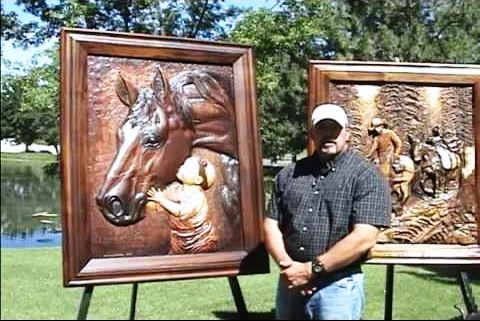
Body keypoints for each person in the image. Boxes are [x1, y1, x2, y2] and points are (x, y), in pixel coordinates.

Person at [264, 103, 391, 320]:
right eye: (322, 128)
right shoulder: (289, 174)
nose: (329, 135)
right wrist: (290, 268)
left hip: (338, 286)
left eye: (335, 129)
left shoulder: (366, 175)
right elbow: (271, 224)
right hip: (291, 283)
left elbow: (364, 238)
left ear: (347, 134)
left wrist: (309, 271)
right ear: (312, 133)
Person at [147, 155, 218, 254]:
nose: (181, 167)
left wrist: (161, 199)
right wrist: (146, 200)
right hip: (178, 238)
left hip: (199, 240)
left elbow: (179, 211)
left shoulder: (197, 197)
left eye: (187, 167)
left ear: (198, 180)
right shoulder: (175, 189)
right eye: (183, 164)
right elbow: (156, 204)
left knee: (199, 261)